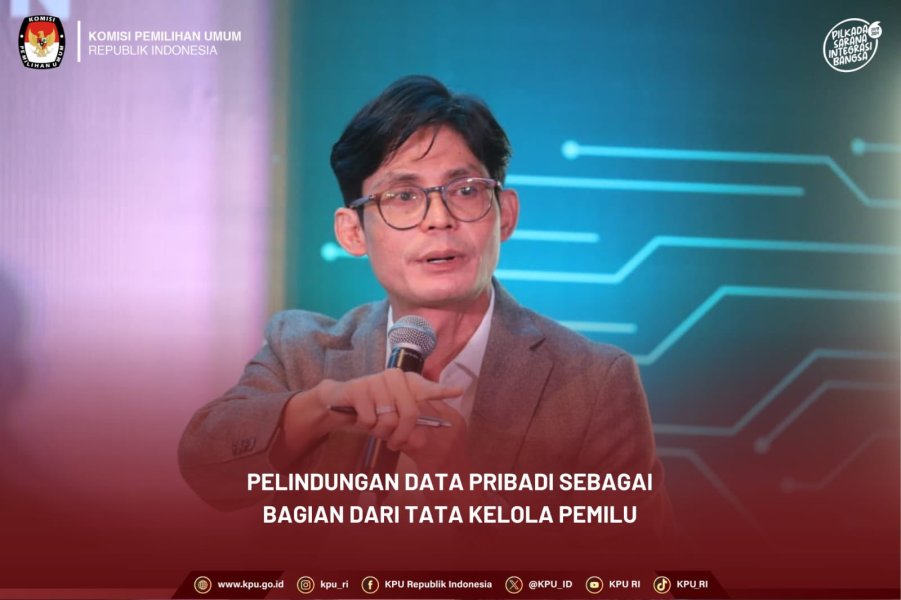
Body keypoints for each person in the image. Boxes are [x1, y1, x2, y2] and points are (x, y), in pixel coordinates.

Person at [178, 76, 672, 538]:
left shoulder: (594, 382)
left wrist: (466, 492)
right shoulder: (303, 353)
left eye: (465, 191)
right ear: (352, 232)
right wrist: (324, 407)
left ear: (505, 215)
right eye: (403, 196)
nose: (439, 218)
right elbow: (205, 464)